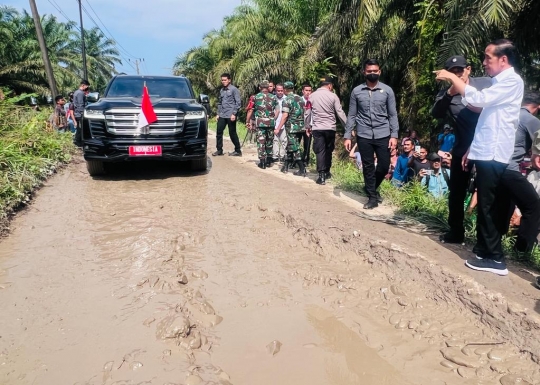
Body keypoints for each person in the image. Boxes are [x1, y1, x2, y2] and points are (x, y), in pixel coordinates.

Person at [435, 39, 524, 276]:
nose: (484, 62)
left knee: (487, 205)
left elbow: (479, 100)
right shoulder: (499, 83)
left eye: (488, 58)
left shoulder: (511, 82)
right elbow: (480, 111)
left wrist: (453, 79)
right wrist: (472, 149)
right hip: (484, 149)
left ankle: (495, 259)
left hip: (494, 152)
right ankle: (485, 250)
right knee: (485, 202)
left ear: (503, 60)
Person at [432, 55, 492, 245]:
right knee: (457, 192)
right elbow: (436, 114)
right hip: (462, 149)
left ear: (469, 69)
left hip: (486, 149)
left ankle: (484, 240)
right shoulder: (446, 94)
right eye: (453, 72)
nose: (458, 74)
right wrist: (450, 91)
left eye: (460, 70)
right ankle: (456, 232)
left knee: (485, 194)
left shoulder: (485, 84)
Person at [344, 59, 399, 209]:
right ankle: (372, 197)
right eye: (369, 71)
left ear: (379, 72)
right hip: (364, 134)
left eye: (375, 71)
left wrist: (394, 135)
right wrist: (347, 135)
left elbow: (393, 115)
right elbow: (352, 115)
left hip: (383, 133)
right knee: (368, 166)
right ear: (364, 72)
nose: (372, 73)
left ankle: (371, 187)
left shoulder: (387, 91)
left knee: (384, 165)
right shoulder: (357, 91)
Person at [496, 91, 540, 253]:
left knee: (505, 203)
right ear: (537, 107)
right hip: (510, 169)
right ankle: (522, 250)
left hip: (495, 167)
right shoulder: (532, 120)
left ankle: (493, 243)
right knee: (533, 205)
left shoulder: (507, 114)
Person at [309, 76, 347, 185]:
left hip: (317, 128)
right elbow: (340, 113)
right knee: (328, 149)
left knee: (320, 151)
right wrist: (348, 127)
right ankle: (327, 171)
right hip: (330, 128)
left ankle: (321, 176)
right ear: (330, 85)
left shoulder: (311, 96)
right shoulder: (333, 96)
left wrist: (307, 125)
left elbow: (307, 113)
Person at [274, 81, 308, 176]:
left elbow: (285, 115)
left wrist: (278, 128)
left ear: (285, 89)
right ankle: (286, 165)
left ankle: (302, 168)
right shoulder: (300, 99)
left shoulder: (287, 100)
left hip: (292, 127)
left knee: (294, 147)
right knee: (290, 145)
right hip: (301, 126)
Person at [246, 80, 278, 169]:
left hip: (260, 123)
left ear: (260, 87)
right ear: (268, 87)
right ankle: (269, 160)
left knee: (261, 142)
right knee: (269, 141)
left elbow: (250, 110)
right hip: (271, 123)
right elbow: (277, 110)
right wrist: (273, 118)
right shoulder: (274, 97)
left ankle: (262, 162)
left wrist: (247, 121)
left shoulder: (254, 97)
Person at [213, 73, 242, 157]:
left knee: (232, 133)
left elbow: (238, 103)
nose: (223, 82)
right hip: (222, 114)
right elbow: (220, 103)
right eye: (222, 80)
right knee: (219, 131)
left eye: (225, 80)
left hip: (231, 115)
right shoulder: (222, 90)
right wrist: (218, 114)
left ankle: (237, 150)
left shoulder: (234, 89)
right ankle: (219, 150)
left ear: (229, 80)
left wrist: (234, 114)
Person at [272, 84, 287, 162]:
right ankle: (275, 155)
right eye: (278, 91)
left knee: (284, 140)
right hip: (274, 122)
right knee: (275, 140)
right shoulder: (272, 98)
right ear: (275, 91)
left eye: (281, 90)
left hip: (284, 122)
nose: (280, 92)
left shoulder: (287, 99)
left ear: (284, 90)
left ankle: (282, 155)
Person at [73, 79, 90, 146]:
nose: (87, 88)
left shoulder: (76, 92)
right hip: (80, 114)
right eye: (86, 86)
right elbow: (80, 105)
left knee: (79, 128)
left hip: (77, 113)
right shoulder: (80, 93)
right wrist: (83, 113)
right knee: (81, 129)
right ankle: (78, 142)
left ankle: (78, 141)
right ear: (83, 85)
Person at [300, 83, 313, 164]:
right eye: (306, 90)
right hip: (299, 125)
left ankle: (306, 159)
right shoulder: (299, 100)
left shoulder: (313, 100)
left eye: (309, 90)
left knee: (307, 144)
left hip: (309, 126)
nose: (308, 92)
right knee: (296, 143)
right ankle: (295, 160)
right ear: (302, 91)